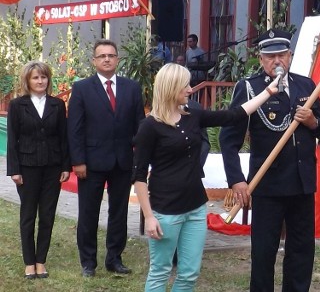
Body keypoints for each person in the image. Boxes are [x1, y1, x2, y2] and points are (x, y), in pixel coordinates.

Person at [132, 63, 278, 291]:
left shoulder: (193, 115)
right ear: (171, 88)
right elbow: (139, 176)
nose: (190, 89)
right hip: (166, 211)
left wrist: (267, 93)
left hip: (196, 208)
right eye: (185, 86)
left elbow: (234, 115)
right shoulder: (149, 127)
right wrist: (149, 216)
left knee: (190, 273)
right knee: (160, 271)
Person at [219, 28, 320, 291]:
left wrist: (313, 121)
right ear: (261, 59)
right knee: (264, 251)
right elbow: (229, 139)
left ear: (290, 56)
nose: (276, 61)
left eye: (281, 54)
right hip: (267, 185)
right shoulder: (249, 88)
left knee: (302, 250)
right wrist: (236, 180)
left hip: (302, 184)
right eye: (270, 56)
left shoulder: (306, 85)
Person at [67, 39, 145, 277]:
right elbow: (75, 129)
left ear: (117, 59)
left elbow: (140, 127)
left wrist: (138, 159)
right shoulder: (81, 88)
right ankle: (88, 262)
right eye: (102, 56)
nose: (107, 59)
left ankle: (114, 258)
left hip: (122, 161)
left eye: (111, 55)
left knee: (118, 212)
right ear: (94, 61)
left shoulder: (131, 88)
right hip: (90, 163)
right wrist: (78, 161)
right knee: (89, 213)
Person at [6, 61, 71, 279]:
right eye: (35, 77)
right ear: (27, 81)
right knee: (28, 215)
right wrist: (14, 170)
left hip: (52, 167)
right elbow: (12, 140)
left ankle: (41, 260)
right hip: (27, 167)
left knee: (47, 215)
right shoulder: (17, 105)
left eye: (43, 77)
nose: (40, 81)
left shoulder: (57, 105)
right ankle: (28, 262)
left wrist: (65, 166)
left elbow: (63, 138)